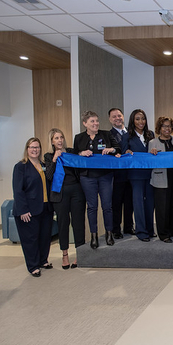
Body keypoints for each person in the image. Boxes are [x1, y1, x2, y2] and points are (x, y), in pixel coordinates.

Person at [73, 110, 121, 249]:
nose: (96, 123)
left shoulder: (106, 134)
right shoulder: (79, 138)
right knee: (92, 207)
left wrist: (111, 150)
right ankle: (94, 235)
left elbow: (118, 149)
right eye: (92, 121)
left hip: (105, 176)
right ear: (85, 123)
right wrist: (81, 153)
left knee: (107, 206)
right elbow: (75, 154)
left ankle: (109, 233)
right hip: (87, 177)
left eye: (97, 121)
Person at [44, 128, 85, 269]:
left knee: (78, 222)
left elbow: (80, 165)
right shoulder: (48, 156)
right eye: (56, 138)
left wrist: (81, 155)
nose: (60, 140)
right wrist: (55, 159)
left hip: (76, 191)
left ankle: (80, 253)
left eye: (61, 137)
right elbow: (48, 176)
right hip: (59, 193)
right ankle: (65, 255)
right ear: (52, 141)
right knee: (63, 223)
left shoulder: (71, 152)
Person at [13, 137, 54, 277]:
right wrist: (23, 209)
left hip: (45, 208)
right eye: (32, 147)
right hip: (28, 210)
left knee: (44, 237)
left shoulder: (43, 165)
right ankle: (33, 266)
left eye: (37, 147)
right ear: (27, 149)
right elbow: (18, 190)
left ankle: (43, 260)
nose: (34, 150)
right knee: (30, 239)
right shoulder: (21, 167)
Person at [124, 109, 155, 242]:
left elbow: (155, 150)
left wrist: (155, 150)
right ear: (133, 120)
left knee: (150, 203)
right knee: (138, 204)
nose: (141, 121)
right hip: (135, 174)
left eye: (143, 118)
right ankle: (141, 232)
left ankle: (149, 230)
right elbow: (124, 152)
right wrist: (127, 152)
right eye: (137, 119)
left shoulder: (150, 134)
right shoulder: (127, 136)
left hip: (150, 173)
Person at [149, 116, 173, 243]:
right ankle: (163, 234)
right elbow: (149, 161)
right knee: (162, 208)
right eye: (164, 126)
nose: (167, 128)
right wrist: (152, 153)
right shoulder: (153, 143)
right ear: (159, 128)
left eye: (169, 126)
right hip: (161, 178)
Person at [108, 108, 134, 239]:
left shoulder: (132, 132)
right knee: (117, 203)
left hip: (132, 174)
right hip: (117, 175)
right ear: (110, 120)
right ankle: (116, 229)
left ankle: (129, 227)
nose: (117, 118)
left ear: (123, 116)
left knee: (130, 203)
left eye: (119, 115)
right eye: (114, 117)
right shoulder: (108, 135)